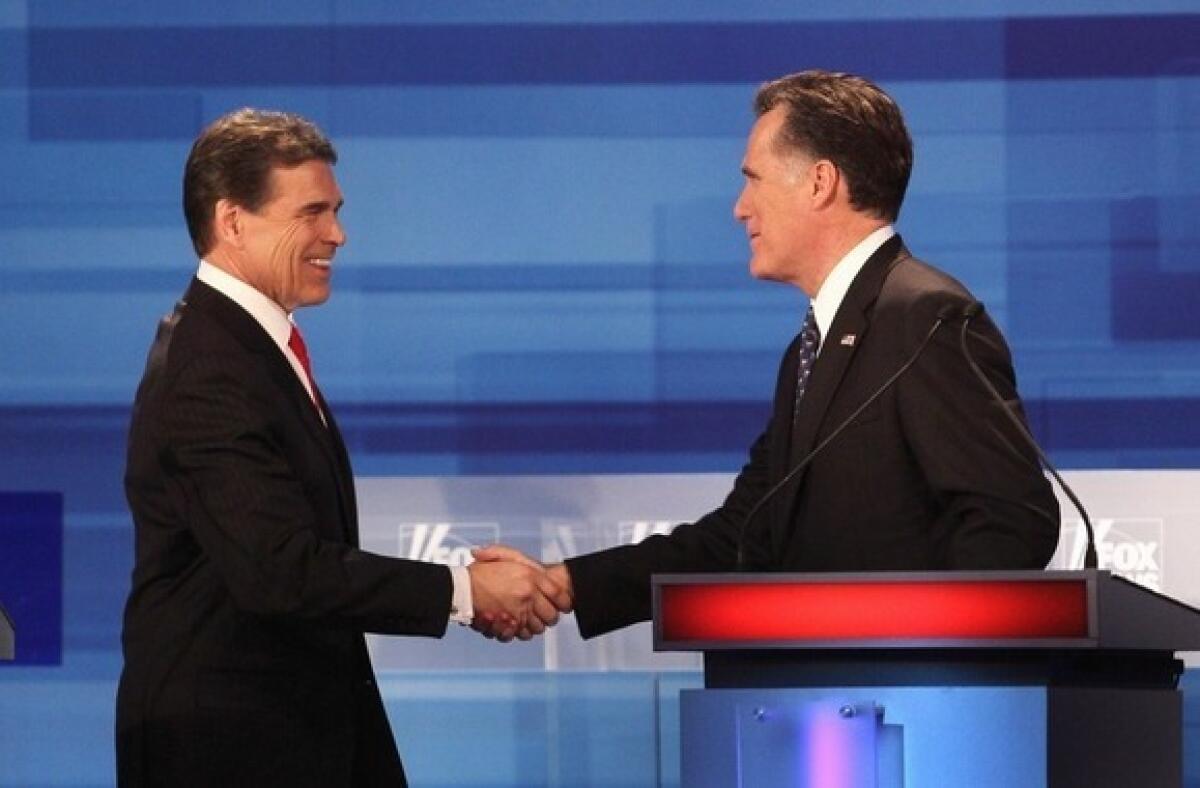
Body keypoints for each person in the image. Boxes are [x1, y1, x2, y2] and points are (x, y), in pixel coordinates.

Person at [475, 70, 1060, 641]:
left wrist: (923, 657)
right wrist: (567, 583)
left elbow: (1011, 519)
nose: (740, 207)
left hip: (907, 706)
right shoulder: (811, 348)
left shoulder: (925, 317)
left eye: (753, 179)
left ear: (819, 182)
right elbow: (742, 535)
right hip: (827, 704)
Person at [116, 109, 565, 787]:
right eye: (312, 212)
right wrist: (464, 590)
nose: (338, 233)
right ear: (233, 221)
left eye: (336, 209)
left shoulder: (246, 348)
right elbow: (281, 571)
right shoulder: (211, 366)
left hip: (295, 731)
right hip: (231, 749)